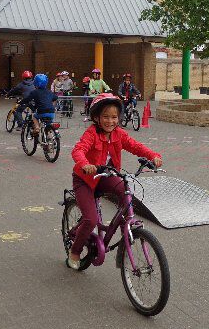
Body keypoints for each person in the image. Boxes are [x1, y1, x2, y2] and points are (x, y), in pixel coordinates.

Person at [68, 93, 162, 269]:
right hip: (85, 179)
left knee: (126, 192)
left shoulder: (119, 134)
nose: (110, 121)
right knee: (90, 219)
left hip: (106, 176)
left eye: (114, 117)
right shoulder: (91, 133)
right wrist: (85, 164)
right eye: (105, 116)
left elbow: (135, 146)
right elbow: (78, 150)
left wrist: (153, 156)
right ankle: (75, 250)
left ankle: (127, 229)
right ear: (97, 117)